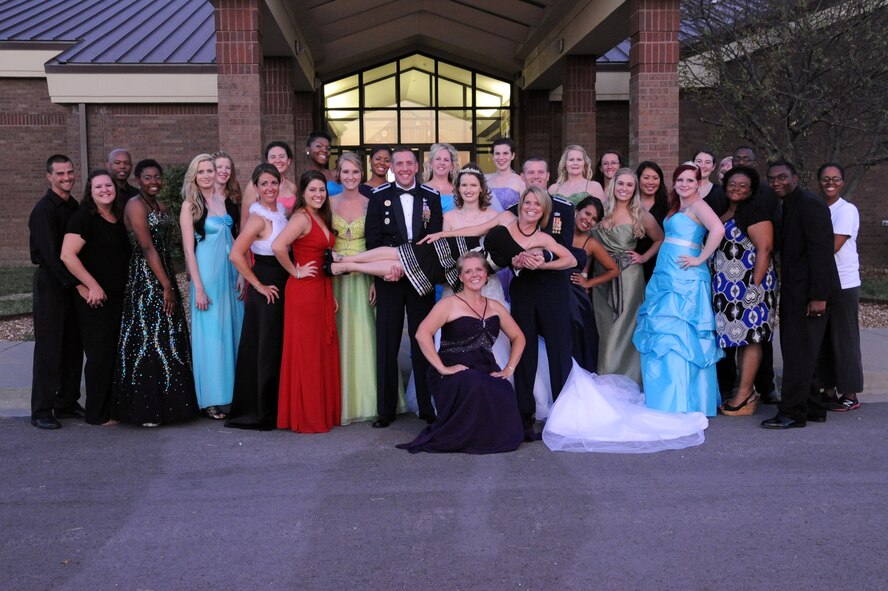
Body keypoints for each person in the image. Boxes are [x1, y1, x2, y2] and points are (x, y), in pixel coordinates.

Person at [396, 252, 526, 454]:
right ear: (460, 277)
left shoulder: (495, 307)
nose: (474, 274)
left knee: (504, 389)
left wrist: (509, 368)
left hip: (485, 367)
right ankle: (467, 436)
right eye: (468, 271)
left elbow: (519, 337)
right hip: (452, 369)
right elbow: (422, 333)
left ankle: (487, 435)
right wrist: (441, 367)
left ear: (486, 274)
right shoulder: (448, 304)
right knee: (473, 383)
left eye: (479, 270)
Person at [634, 163, 725, 417]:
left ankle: (684, 398)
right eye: (680, 180)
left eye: (690, 180)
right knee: (663, 328)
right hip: (666, 270)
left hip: (686, 274)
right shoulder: (678, 206)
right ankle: (665, 395)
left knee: (683, 331)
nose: (684, 184)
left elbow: (718, 229)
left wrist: (701, 258)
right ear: (674, 183)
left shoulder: (699, 205)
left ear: (698, 183)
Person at [363, 147, 443, 428]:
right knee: (387, 341)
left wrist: (412, 266)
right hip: (390, 276)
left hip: (421, 277)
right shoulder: (379, 196)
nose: (405, 168)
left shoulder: (431, 197)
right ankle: (385, 410)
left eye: (410, 163)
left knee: (423, 340)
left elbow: (434, 240)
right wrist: (388, 267)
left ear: (418, 166)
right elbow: (372, 239)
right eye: (400, 163)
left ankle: (426, 406)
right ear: (392, 167)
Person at [115, 159, 198, 427]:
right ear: (139, 180)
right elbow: (147, 248)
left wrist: (171, 282)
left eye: (157, 177)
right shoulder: (134, 205)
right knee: (148, 340)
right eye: (148, 178)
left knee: (169, 339)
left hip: (164, 275)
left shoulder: (160, 206)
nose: (154, 182)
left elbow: (166, 246)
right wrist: (165, 286)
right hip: (145, 280)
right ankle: (147, 410)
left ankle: (174, 407)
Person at [761, 160, 840, 429]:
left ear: (795, 177)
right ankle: (813, 407)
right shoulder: (787, 205)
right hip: (796, 290)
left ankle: (792, 413)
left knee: (797, 354)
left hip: (810, 293)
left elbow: (822, 251)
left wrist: (819, 296)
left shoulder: (809, 204)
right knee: (806, 353)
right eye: (772, 179)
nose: (776, 183)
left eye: (782, 177)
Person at [331, 153, 405, 424]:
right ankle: (340, 399)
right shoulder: (328, 203)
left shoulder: (371, 203)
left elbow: (376, 242)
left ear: (362, 175)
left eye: (355, 172)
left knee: (367, 335)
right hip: (337, 277)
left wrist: (376, 280)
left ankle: (370, 398)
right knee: (339, 335)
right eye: (346, 172)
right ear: (338, 175)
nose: (351, 177)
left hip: (365, 274)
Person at [60, 169, 131, 426]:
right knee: (100, 356)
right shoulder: (83, 218)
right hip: (96, 299)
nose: (104, 190)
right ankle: (96, 414)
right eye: (98, 187)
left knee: (114, 354)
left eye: (108, 186)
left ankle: (112, 409)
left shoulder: (118, 217)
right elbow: (68, 256)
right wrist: (92, 286)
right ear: (90, 192)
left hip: (119, 296)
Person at [272, 170, 341, 433]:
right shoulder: (301, 217)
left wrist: (330, 292)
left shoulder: (319, 215)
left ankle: (318, 410)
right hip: (304, 290)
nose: (318, 194)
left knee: (319, 350)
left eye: (321, 190)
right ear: (303, 193)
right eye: (312, 190)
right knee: (307, 352)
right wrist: (295, 271)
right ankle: (306, 415)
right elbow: (279, 246)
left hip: (320, 288)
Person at [180, 154, 244, 421]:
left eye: (210, 170)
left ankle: (232, 395)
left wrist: (242, 273)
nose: (207, 175)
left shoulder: (221, 200)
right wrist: (199, 287)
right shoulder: (189, 206)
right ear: (194, 175)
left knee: (232, 331)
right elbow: (189, 250)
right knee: (212, 337)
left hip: (229, 274)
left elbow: (232, 237)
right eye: (202, 171)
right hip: (206, 274)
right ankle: (211, 400)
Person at [226, 164, 289, 430]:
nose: (269, 188)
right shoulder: (257, 218)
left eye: (273, 183)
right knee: (265, 350)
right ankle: (261, 412)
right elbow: (236, 254)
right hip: (267, 286)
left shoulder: (281, 211)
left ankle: (277, 406)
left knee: (277, 347)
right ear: (255, 187)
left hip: (283, 282)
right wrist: (258, 285)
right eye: (263, 184)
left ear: (280, 183)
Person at [711, 166, 777, 416]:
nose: (736, 188)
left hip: (750, 286)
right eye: (732, 184)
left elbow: (765, 248)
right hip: (727, 288)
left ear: (752, 189)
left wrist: (754, 287)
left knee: (750, 339)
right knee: (735, 339)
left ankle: (745, 395)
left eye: (743, 185)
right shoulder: (727, 211)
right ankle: (742, 391)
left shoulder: (756, 211)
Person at [592, 168, 663, 384]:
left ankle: (620, 380)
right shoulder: (599, 209)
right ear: (613, 186)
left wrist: (643, 257)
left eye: (629, 185)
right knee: (603, 329)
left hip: (627, 278)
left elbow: (660, 239)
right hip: (600, 276)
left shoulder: (640, 214)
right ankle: (605, 374)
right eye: (620, 184)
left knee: (621, 329)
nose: (624, 189)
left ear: (635, 189)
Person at [28, 154, 84, 429]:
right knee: (49, 348)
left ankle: (66, 402)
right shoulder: (43, 210)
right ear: (49, 176)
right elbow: (51, 256)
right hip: (51, 284)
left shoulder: (74, 206)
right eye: (60, 174)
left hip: (73, 285)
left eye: (70, 172)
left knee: (73, 346)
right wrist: (76, 284)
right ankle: (41, 409)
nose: (66, 178)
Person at [816, 163, 863, 412]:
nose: (829, 183)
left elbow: (832, 246)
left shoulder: (847, 210)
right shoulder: (818, 208)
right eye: (825, 178)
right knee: (823, 339)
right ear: (819, 182)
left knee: (844, 339)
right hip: (823, 282)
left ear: (842, 182)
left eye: (835, 178)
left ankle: (850, 394)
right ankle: (828, 390)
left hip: (844, 283)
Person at [568, 196, 620, 371]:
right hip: (552, 294)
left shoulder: (591, 244)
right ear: (577, 210)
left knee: (577, 344)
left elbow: (614, 270)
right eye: (587, 213)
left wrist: (588, 282)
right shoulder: (558, 231)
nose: (588, 220)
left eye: (594, 219)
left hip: (576, 301)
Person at [240, 141, 298, 225]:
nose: (278, 160)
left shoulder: (292, 187)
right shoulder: (255, 185)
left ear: (288, 161)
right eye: (273, 157)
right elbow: (244, 221)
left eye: (282, 156)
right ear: (267, 162)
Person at [635, 161, 669, 282]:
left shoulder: (668, 206)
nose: (651, 182)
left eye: (655, 178)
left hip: (660, 263)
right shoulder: (629, 205)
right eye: (646, 177)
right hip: (634, 263)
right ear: (638, 179)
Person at [486, 138, 525, 211]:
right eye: (497, 153)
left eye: (505, 153)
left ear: (512, 155)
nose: (501, 158)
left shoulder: (521, 181)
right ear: (492, 156)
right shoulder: (484, 179)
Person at [423, 143, 458, 213]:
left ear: (452, 166)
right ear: (430, 164)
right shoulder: (421, 190)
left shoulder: (459, 191)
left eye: (446, 160)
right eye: (438, 159)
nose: (442, 163)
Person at [305, 131, 340, 196]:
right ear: (307, 150)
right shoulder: (305, 178)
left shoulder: (335, 174)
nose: (324, 150)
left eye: (328, 148)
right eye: (319, 146)